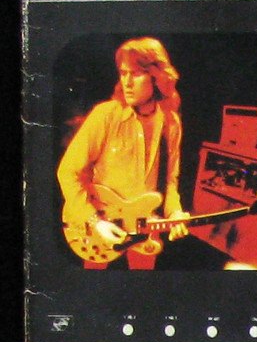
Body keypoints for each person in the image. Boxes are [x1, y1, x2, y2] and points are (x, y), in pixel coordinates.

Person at [57, 36, 189, 268]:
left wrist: (175, 213)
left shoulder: (171, 123)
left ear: (157, 77)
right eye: (123, 73)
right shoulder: (106, 115)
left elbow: (170, 181)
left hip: (144, 228)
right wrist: (95, 221)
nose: (126, 82)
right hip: (99, 227)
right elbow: (68, 172)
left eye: (135, 74)